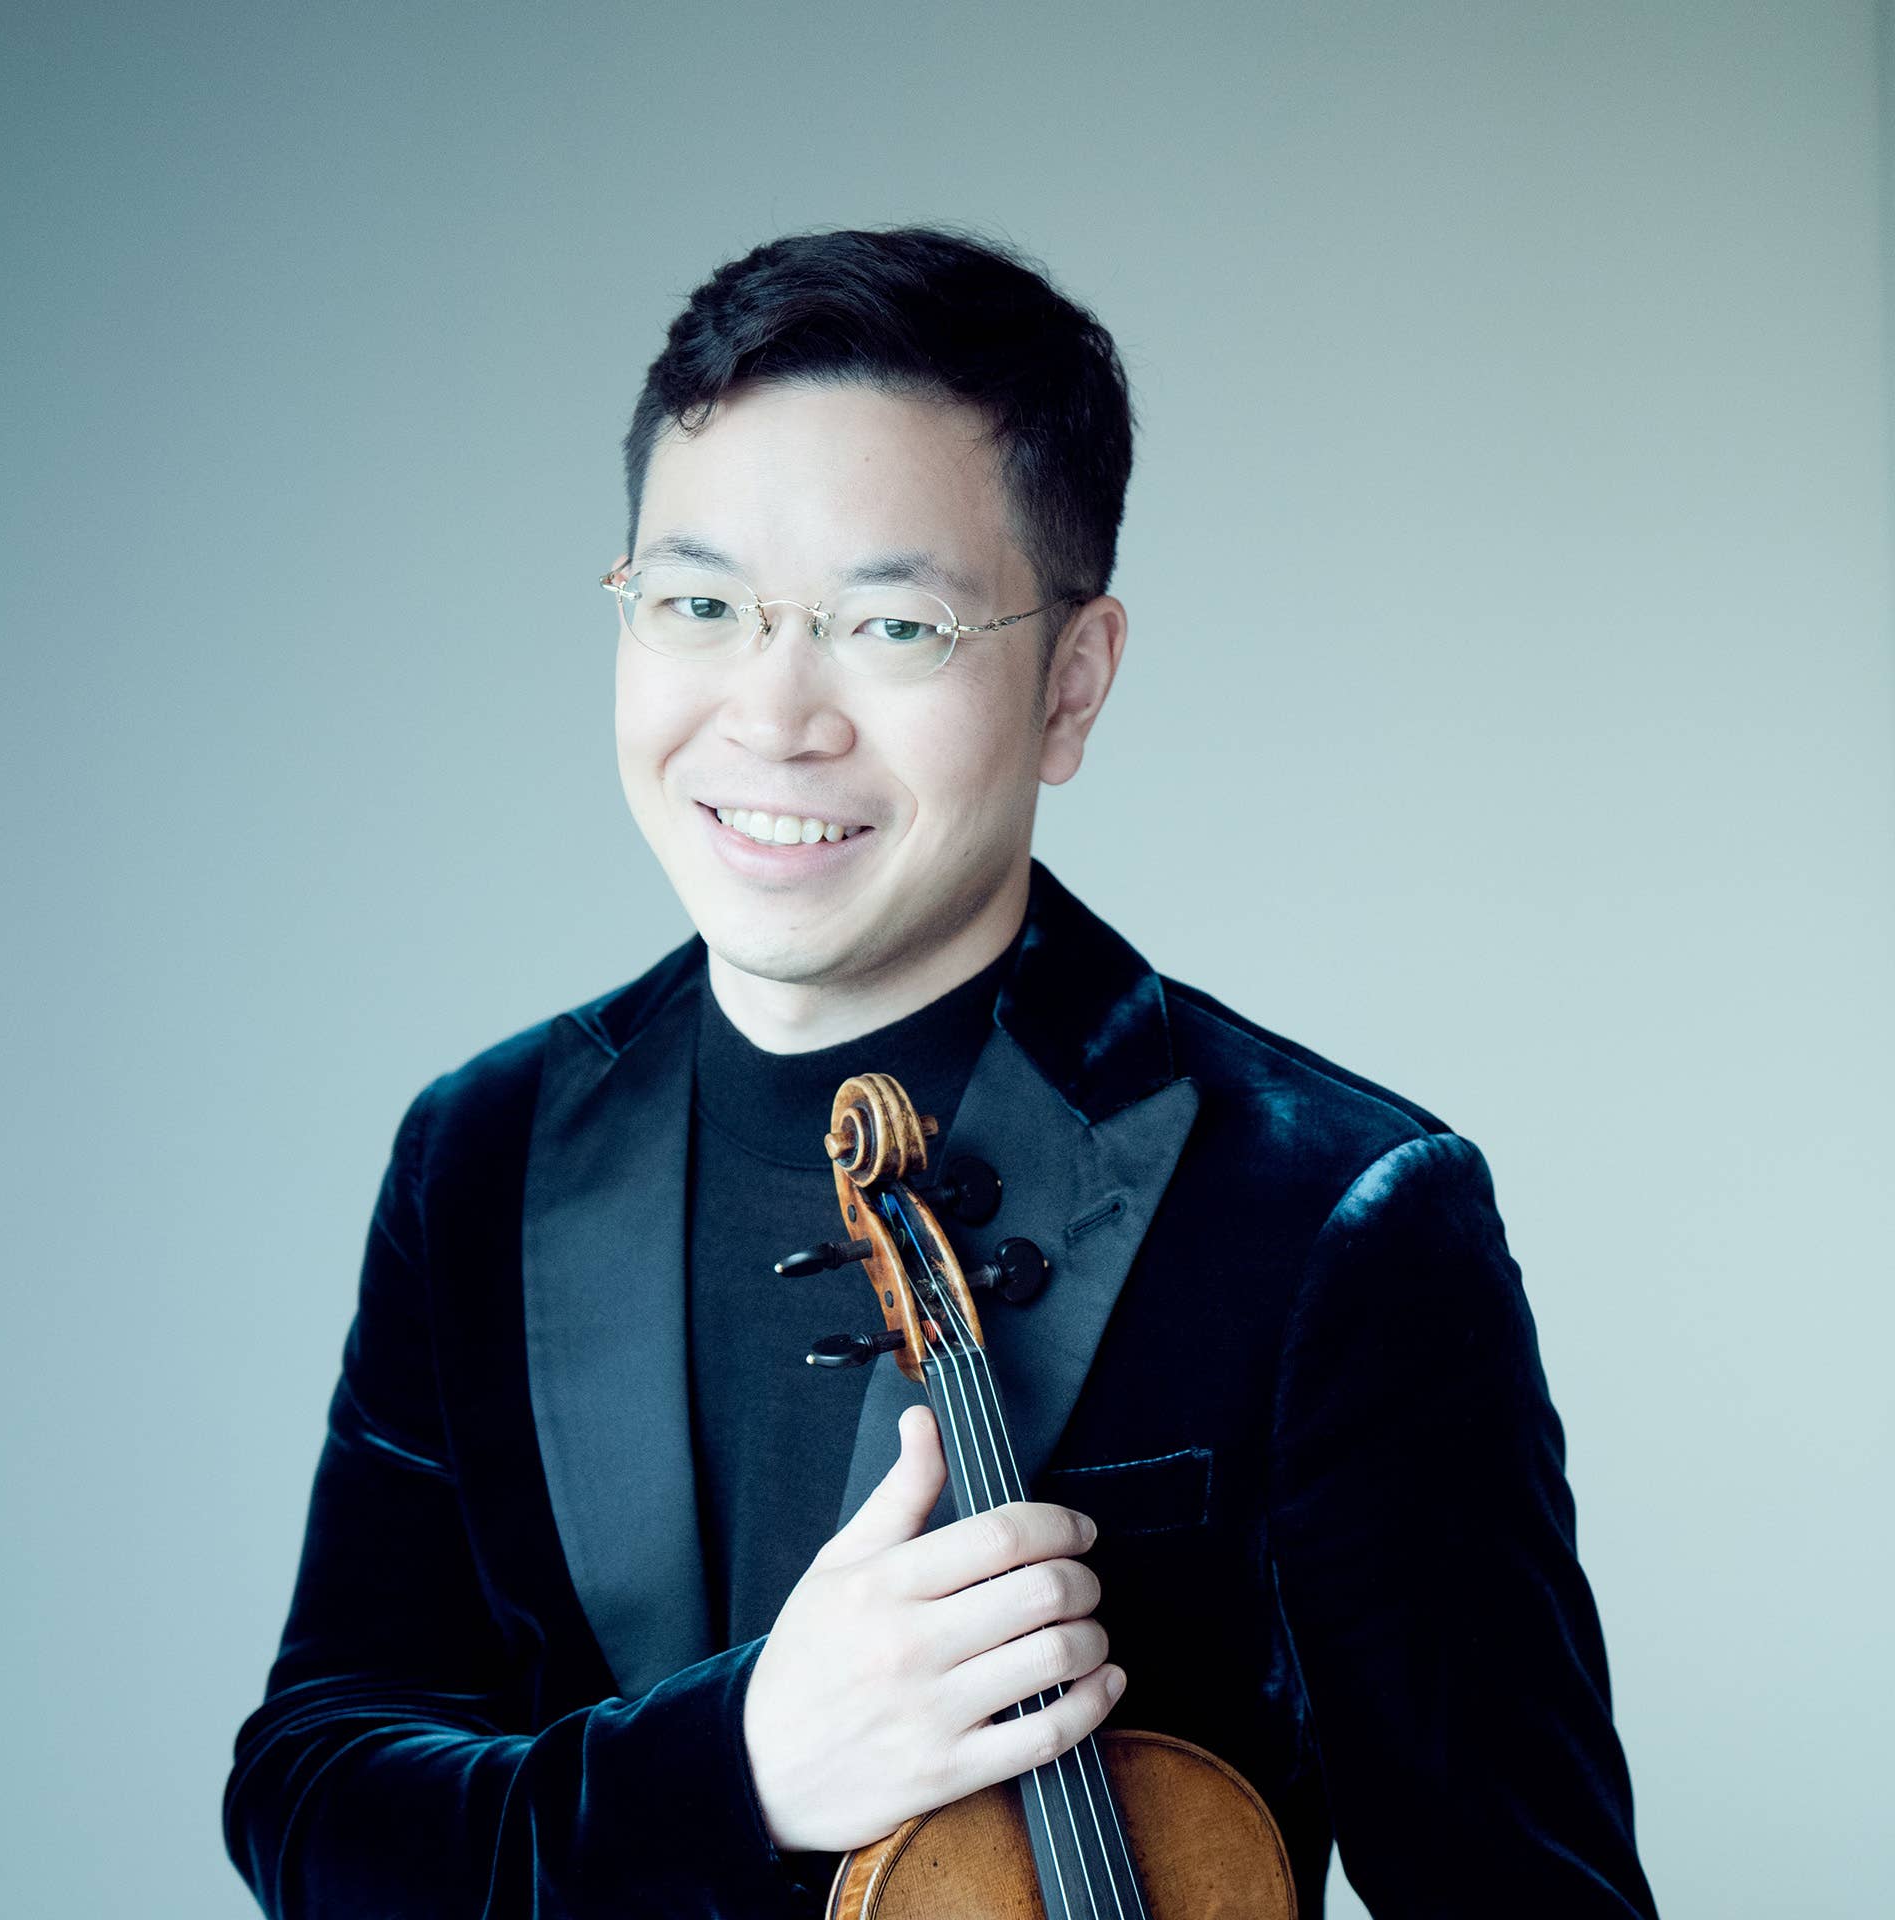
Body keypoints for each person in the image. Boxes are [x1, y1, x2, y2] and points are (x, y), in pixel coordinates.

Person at [223, 227, 1658, 1919]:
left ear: (1073, 682)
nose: (774, 715)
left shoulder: (1332, 1209)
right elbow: (312, 1797)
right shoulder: (482, 1153)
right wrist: (746, 1760)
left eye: (890, 627)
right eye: (698, 606)